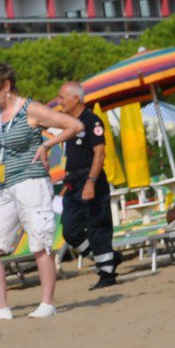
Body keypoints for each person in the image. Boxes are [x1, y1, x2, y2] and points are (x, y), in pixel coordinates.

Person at [0, 63, 81, 321]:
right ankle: (1, 307)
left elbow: (73, 125)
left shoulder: (30, 109)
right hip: (6, 185)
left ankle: (47, 302)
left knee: (40, 244)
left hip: (32, 183)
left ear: (7, 86)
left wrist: (47, 145)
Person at [56, 82, 117, 289]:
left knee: (97, 225)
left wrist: (91, 182)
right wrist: (67, 182)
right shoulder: (69, 124)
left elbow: (100, 154)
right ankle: (107, 259)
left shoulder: (92, 121)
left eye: (62, 97)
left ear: (75, 99)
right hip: (73, 181)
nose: (59, 102)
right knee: (70, 230)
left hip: (91, 179)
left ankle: (107, 272)